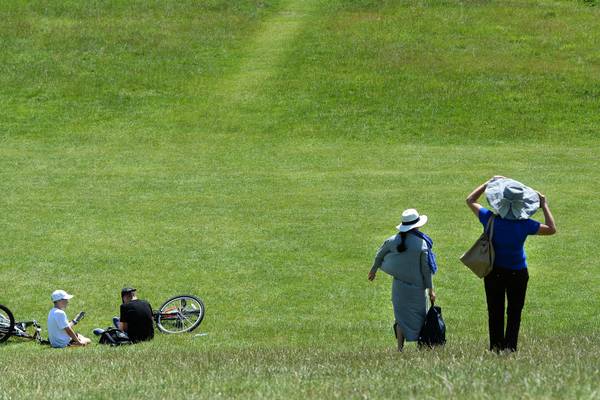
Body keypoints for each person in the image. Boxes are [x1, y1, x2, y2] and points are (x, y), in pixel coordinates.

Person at [466, 176, 557, 352]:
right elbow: (552, 229)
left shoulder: (489, 218)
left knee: (495, 311)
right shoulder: (525, 225)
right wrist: (544, 204)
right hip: (518, 272)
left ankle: (495, 348)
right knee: (515, 312)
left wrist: (488, 183)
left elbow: (470, 200)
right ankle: (510, 348)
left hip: (493, 271)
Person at [368, 209, 437, 351]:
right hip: (417, 289)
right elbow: (426, 270)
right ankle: (422, 345)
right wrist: (431, 289)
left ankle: (400, 348)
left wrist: (374, 270)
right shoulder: (422, 244)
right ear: (417, 225)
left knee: (400, 318)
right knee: (420, 317)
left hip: (399, 288)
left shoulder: (392, 241)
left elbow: (379, 255)